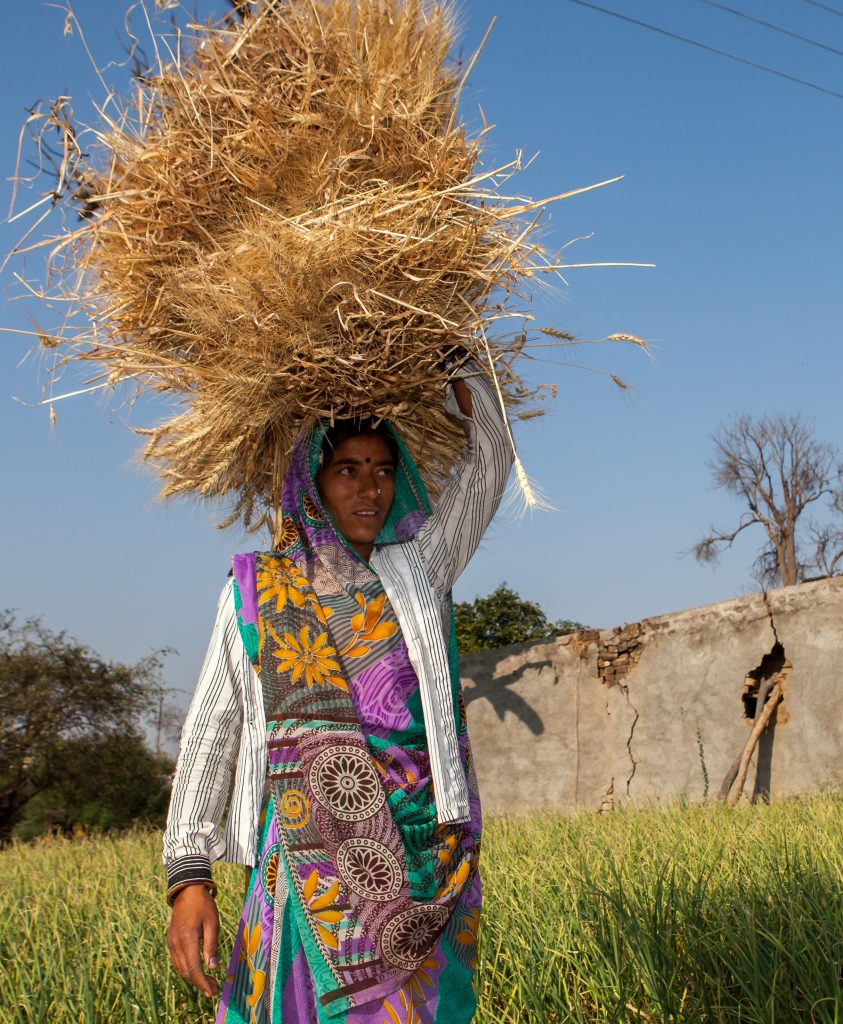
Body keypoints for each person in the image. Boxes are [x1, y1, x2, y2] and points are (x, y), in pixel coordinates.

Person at [164, 363, 512, 1023]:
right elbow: (212, 732)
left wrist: (452, 355)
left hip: (424, 859)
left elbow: (490, 457)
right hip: (308, 870)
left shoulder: (421, 566)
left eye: (383, 469)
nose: (370, 488)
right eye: (347, 468)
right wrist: (189, 876)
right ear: (311, 481)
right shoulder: (256, 592)